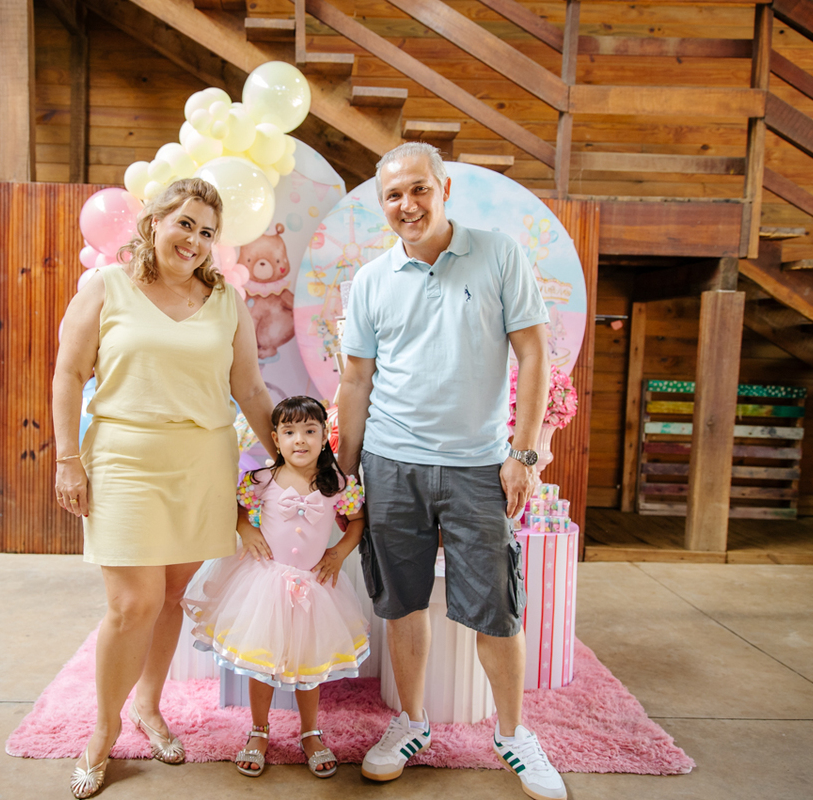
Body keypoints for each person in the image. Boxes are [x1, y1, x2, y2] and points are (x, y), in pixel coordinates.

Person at [337, 142, 566, 800]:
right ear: (382, 205)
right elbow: (356, 381)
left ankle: (513, 733)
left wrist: (523, 454)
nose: (407, 204)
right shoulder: (371, 280)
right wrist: (345, 475)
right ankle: (411, 724)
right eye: (393, 195)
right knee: (402, 603)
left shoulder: (499, 255)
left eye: (418, 189)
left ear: (443, 190)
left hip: (477, 466)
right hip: (391, 463)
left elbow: (534, 356)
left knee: (497, 609)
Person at [52, 178, 275, 799]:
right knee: (133, 603)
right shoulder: (108, 287)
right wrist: (67, 459)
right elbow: (68, 373)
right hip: (125, 460)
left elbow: (250, 389)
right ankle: (103, 730)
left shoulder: (226, 300)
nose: (195, 240)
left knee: (172, 594)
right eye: (185, 224)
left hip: (202, 463)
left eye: (207, 232)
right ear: (154, 222)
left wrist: (295, 463)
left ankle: (149, 705)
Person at [182, 396, 368, 780]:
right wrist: (247, 530)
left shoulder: (337, 484)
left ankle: (310, 732)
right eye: (290, 431)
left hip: (315, 588)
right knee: (261, 662)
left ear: (324, 437)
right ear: (276, 438)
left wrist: (338, 553)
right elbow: (237, 509)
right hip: (265, 584)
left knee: (309, 664)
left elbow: (358, 521)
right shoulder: (262, 479)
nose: (300, 440)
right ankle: (259, 729)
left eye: (310, 431)